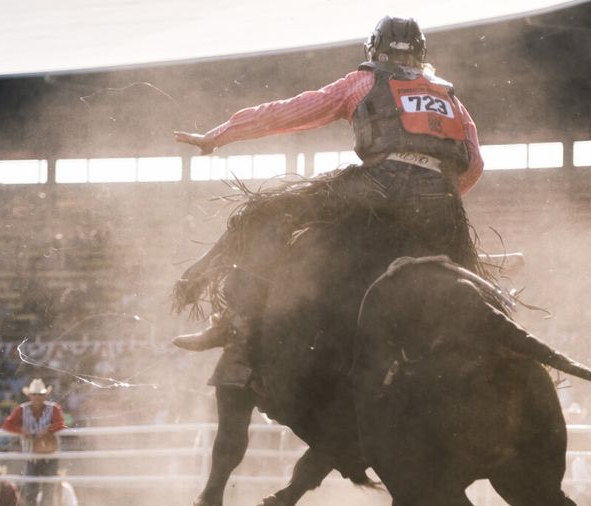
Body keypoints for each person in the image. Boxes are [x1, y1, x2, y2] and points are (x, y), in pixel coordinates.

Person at [171, 15, 485, 381]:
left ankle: (232, 321)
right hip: (440, 204)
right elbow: (474, 163)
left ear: (375, 49)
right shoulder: (449, 97)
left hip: (379, 185)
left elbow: (289, 112)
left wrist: (220, 135)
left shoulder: (364, 81)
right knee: (474, 282)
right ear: (421, 54)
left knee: (264, 210)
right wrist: (435, 198)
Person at [0, 378, 66, 506]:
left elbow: (61, 423)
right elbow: (7, 424)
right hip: (32, 456)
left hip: (50, 456)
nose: (37, 397)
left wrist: (48, 430)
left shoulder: (53, 408)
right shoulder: (22, 409)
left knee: (48, 491)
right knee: (30, 491)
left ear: (44, 396)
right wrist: (22, 430)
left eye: (40, 395)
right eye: (35, 394)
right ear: (30, 395)